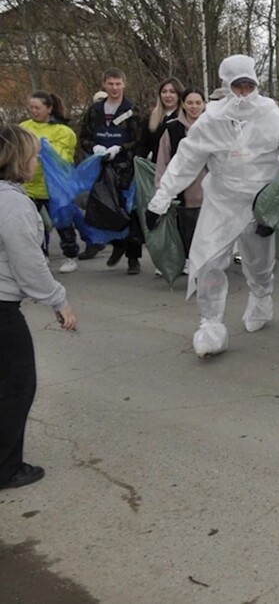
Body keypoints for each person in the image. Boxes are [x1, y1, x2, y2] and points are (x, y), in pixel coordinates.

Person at [146, 54, 279, 358]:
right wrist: (160, 200)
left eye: (249, 86)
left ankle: (261, 297)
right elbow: (186, 160)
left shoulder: (271, 115)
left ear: (256, 85)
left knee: (258, 261)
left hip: (260, 203)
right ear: (227, 87)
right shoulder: (212, 120)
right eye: (237, 87)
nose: (243, 94)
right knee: (208, 261)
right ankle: (210, 324)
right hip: (221, 201)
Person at [0, 124, 78, 490]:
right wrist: (58, 301)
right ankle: (7, 467)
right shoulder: (13, 203)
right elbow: (29, 264)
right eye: (32, 156)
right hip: (2, 310)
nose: (36, 163)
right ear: (17, 160)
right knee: (17, 385)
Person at [77, 67, 147, 273]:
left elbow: (139, 140)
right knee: (106, 209)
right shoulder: (94, 111)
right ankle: (117, 244)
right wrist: (94, 148)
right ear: (104, 85)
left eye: (118, 84)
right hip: (101, 169)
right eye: (110, 84)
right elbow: (84, 137)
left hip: (126, 169)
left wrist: (121, 149)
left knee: (130, 211)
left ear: (124, 84)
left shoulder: (133, 110)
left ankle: (133, 258)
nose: (114, 88)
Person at [20, 92, 80, 273]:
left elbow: (64, 158)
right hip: (30, 185)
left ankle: (70, 255)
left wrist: (44, 150)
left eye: (37, 107)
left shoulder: (63, 131)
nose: (33, 111)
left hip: (54, 187)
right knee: (34, 224)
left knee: (63, 222)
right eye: (31, 107)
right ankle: (41, 255)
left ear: (49, 109)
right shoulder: (23, 127)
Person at [155, 88, 207, 258]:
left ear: (204, 104)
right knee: (187, 234)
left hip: (210, 194)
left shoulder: (213, 127)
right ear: (183, 104)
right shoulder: (172, 129)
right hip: (184, 195)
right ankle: (189, 263)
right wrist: (161, 190)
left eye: (198, 103)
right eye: (190, 102)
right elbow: (162, 160)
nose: (194, 107)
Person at [146, 77, 184, 162]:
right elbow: (144, 145)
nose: (167, 95)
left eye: (172, 92)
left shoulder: (185, 118)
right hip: (156, 166)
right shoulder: (151, 117)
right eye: (164, 92)